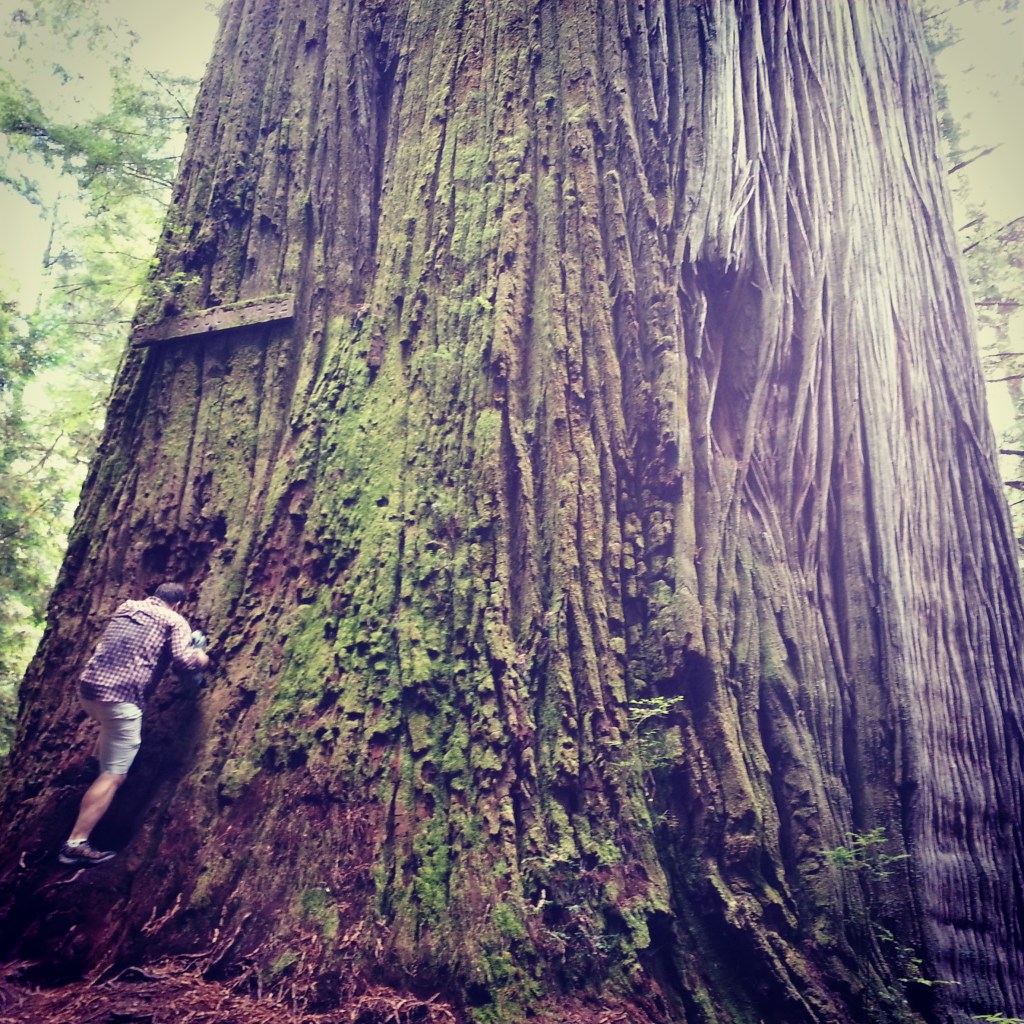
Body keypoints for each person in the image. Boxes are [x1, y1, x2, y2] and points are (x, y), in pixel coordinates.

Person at [59, 582, 210, 867]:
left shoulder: (126, 607)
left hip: (88, 692)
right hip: (121, 702)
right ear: (178, 604)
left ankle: (94, 761)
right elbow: (182, 660)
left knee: (110, 724)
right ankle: (75, 843)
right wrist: (201, 657)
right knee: (114, 776)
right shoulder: (174, 620)